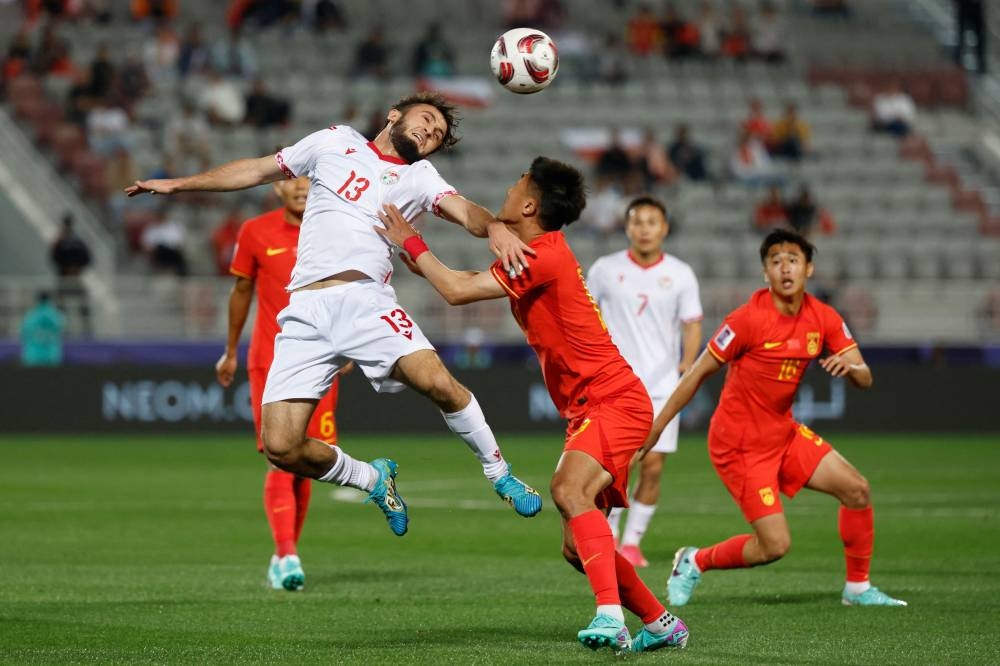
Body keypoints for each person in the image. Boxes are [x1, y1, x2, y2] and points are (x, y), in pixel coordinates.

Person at [125, 91, 541, 537]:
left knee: (438, 382)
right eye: (425, 120)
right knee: (281, 447)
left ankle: (499, 473)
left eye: (437, 134)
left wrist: (495, 226)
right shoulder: (333, 142)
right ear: (394, 114)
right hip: (304, 309)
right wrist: (177, 185)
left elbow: (466, 213)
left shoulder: (420, 176)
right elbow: (258, 169)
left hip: (365, 301)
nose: (429, 133)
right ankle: (371, 479)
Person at [375, 157, 689, 653]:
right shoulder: (537, 251)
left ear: (529, 204)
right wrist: (417, 254)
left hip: (615, 399)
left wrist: (411, 241)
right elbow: (462, 278)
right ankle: (659, 621)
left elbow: (457, 290)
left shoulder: (545, 255)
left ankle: (610, 617)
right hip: (590, 406)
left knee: (567, 489)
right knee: (575, 548)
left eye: (516, 183)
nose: (506, 186)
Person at [637, 228, 906, 608]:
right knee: (774, 546)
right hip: (739, 446)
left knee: (857, 490)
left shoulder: (823, 317)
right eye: (775, 262)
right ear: (765, 273)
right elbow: (697, 372)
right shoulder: (747, 320)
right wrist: (659, 424)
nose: (785, 269)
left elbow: (865, 377)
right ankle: (695, 560)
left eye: (793, 260)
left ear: (808, 268)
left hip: (783, 434)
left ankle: (857, 589)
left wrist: (852, 366)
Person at [215, 176, 342, 592]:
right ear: (277, 188)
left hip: (321, 362)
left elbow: (352, 290)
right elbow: (242, 289)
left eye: (311, 178)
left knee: (306, 463)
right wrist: (231, 350)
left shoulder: (335, 227)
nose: (302, 186)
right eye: (293, 179)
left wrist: (350, 346)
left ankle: (283, 555)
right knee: (278, 455)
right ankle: (287, 554)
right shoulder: (256, 231)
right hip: (270, 362)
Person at [586, 196, 703, 569]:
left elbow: (692, 322)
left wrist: (687, 362)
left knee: (652, 466)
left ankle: (632, 544)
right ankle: (610, 537)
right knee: (618, 466)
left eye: (652, 222)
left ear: (664, 228)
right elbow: (587, 314)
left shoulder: (681, 273)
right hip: (615, 382)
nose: (645, 229)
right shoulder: (605, 269)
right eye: (638, 221)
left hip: (662, 384)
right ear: (627, 227)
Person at [21, 291, 65, 367]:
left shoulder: (30, 315)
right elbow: (61, 329)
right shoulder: (55, 315)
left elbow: (24, 333)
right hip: (51, 356)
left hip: (33, 356)